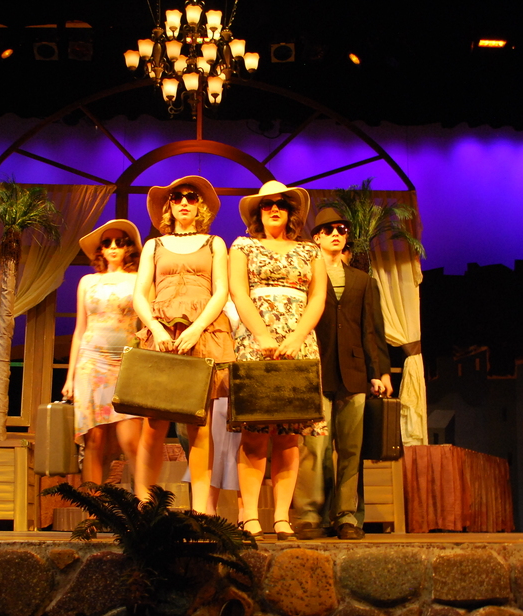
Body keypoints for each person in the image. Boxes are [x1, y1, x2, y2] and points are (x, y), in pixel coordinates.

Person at [229, 180, 327, 540]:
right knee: (255, 433)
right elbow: (238, 292)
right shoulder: (243, 246)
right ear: (258, 213)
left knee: (288, 436)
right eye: (267, 204)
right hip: (256, 343)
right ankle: (251, 517)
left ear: (290, 213)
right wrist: (262, 335)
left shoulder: (310, 251)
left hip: (299, 344)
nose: (274, 209)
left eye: (281, 204)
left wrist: (297, 337)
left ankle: (282, 517)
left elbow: (317, 298)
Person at [132, 175, 234, 513]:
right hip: (162, 333)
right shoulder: (154, 246)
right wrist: (156, 329)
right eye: (177, 197)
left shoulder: (215, 243)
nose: (184, 202)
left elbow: (221, 290)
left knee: (198, 425)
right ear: (169, 206)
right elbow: (139, 294)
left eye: (191, 197)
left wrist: (197, 328)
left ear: (199, 205)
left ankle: (202, 511)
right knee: (154, 424)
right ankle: (144, 505)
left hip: (202, 334)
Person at [294, 207, 390, 540]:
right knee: (315, 448)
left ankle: (347, 516)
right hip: (317, 370)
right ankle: (310, 515)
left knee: (351, 449)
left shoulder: (362, 281)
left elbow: (371, 330)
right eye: (329, 229)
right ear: (317, 237)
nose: (336, 234)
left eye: (342, 229)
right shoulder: (305, 277)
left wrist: (378, 372)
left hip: (354, 372)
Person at [63, 219, 144, 485]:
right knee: (94, 440)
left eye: (120, 242)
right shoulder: (87, 282)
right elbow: (79, 330)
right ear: (100, 249)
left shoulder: (138, 280)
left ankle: (145, 504)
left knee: (131, 441)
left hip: (126, 364)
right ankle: (92, 507)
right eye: (107, 242)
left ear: (128, 247)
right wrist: (70, 377)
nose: (113, 247)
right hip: (90, 362)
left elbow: (146, 325)